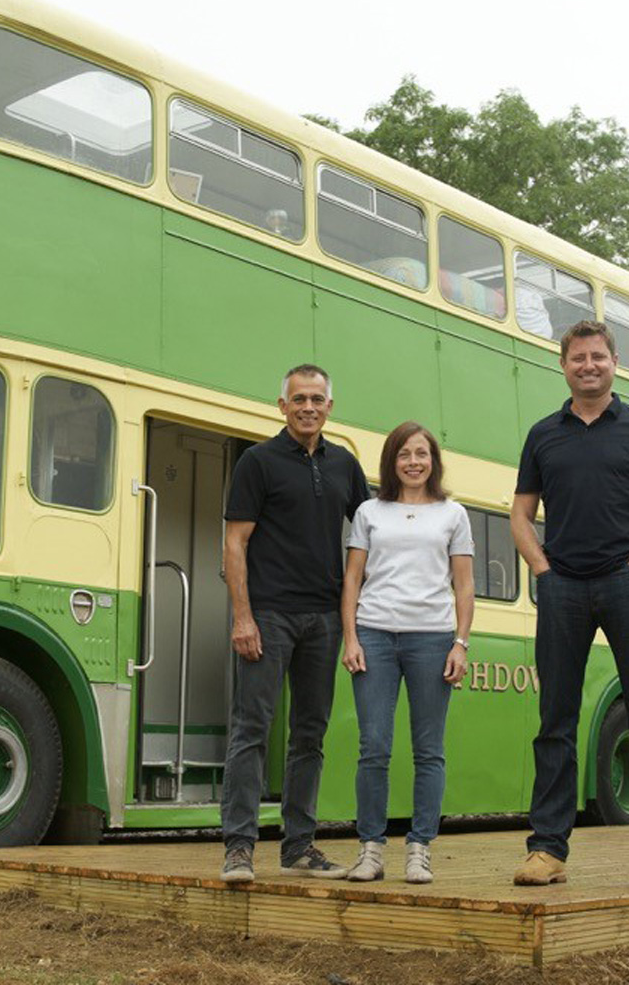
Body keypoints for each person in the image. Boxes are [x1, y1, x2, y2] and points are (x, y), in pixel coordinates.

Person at [510, 320, 629, 890]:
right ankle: (547, 850)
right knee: (555, 721)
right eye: (578, 358)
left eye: (597, 356)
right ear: (563, 365)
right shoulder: (543, 435)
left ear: (614, 362)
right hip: (563, 587)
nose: (588, 365)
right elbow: (520, 514)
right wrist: (542, 570)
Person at [218, 364, 370, 883]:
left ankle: (299, 847)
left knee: (310, 735)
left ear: (330, 407)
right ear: (282, 406)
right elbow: (235, 543)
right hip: (268, 615)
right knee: (251, 729)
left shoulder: (345, 464)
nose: (308, 407)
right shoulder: (257, 462)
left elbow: (372, 532)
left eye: (317, 399)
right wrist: (243, 616)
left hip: (324, 619)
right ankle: (239, 848)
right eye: (299, 399)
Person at [339, 422, 475, 884]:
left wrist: (460, 643)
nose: (413, 462)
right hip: (374, 634)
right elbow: (352, 578)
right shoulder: (369, 511)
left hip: (433, 638)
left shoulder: (453, 514)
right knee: (373, 747)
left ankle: (419, 849)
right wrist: (351, 637)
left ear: (433, 460)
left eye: (421, 453)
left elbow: (464, 584)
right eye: (404, 454)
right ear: (391, 461)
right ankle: (371, 850)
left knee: (429, 751)